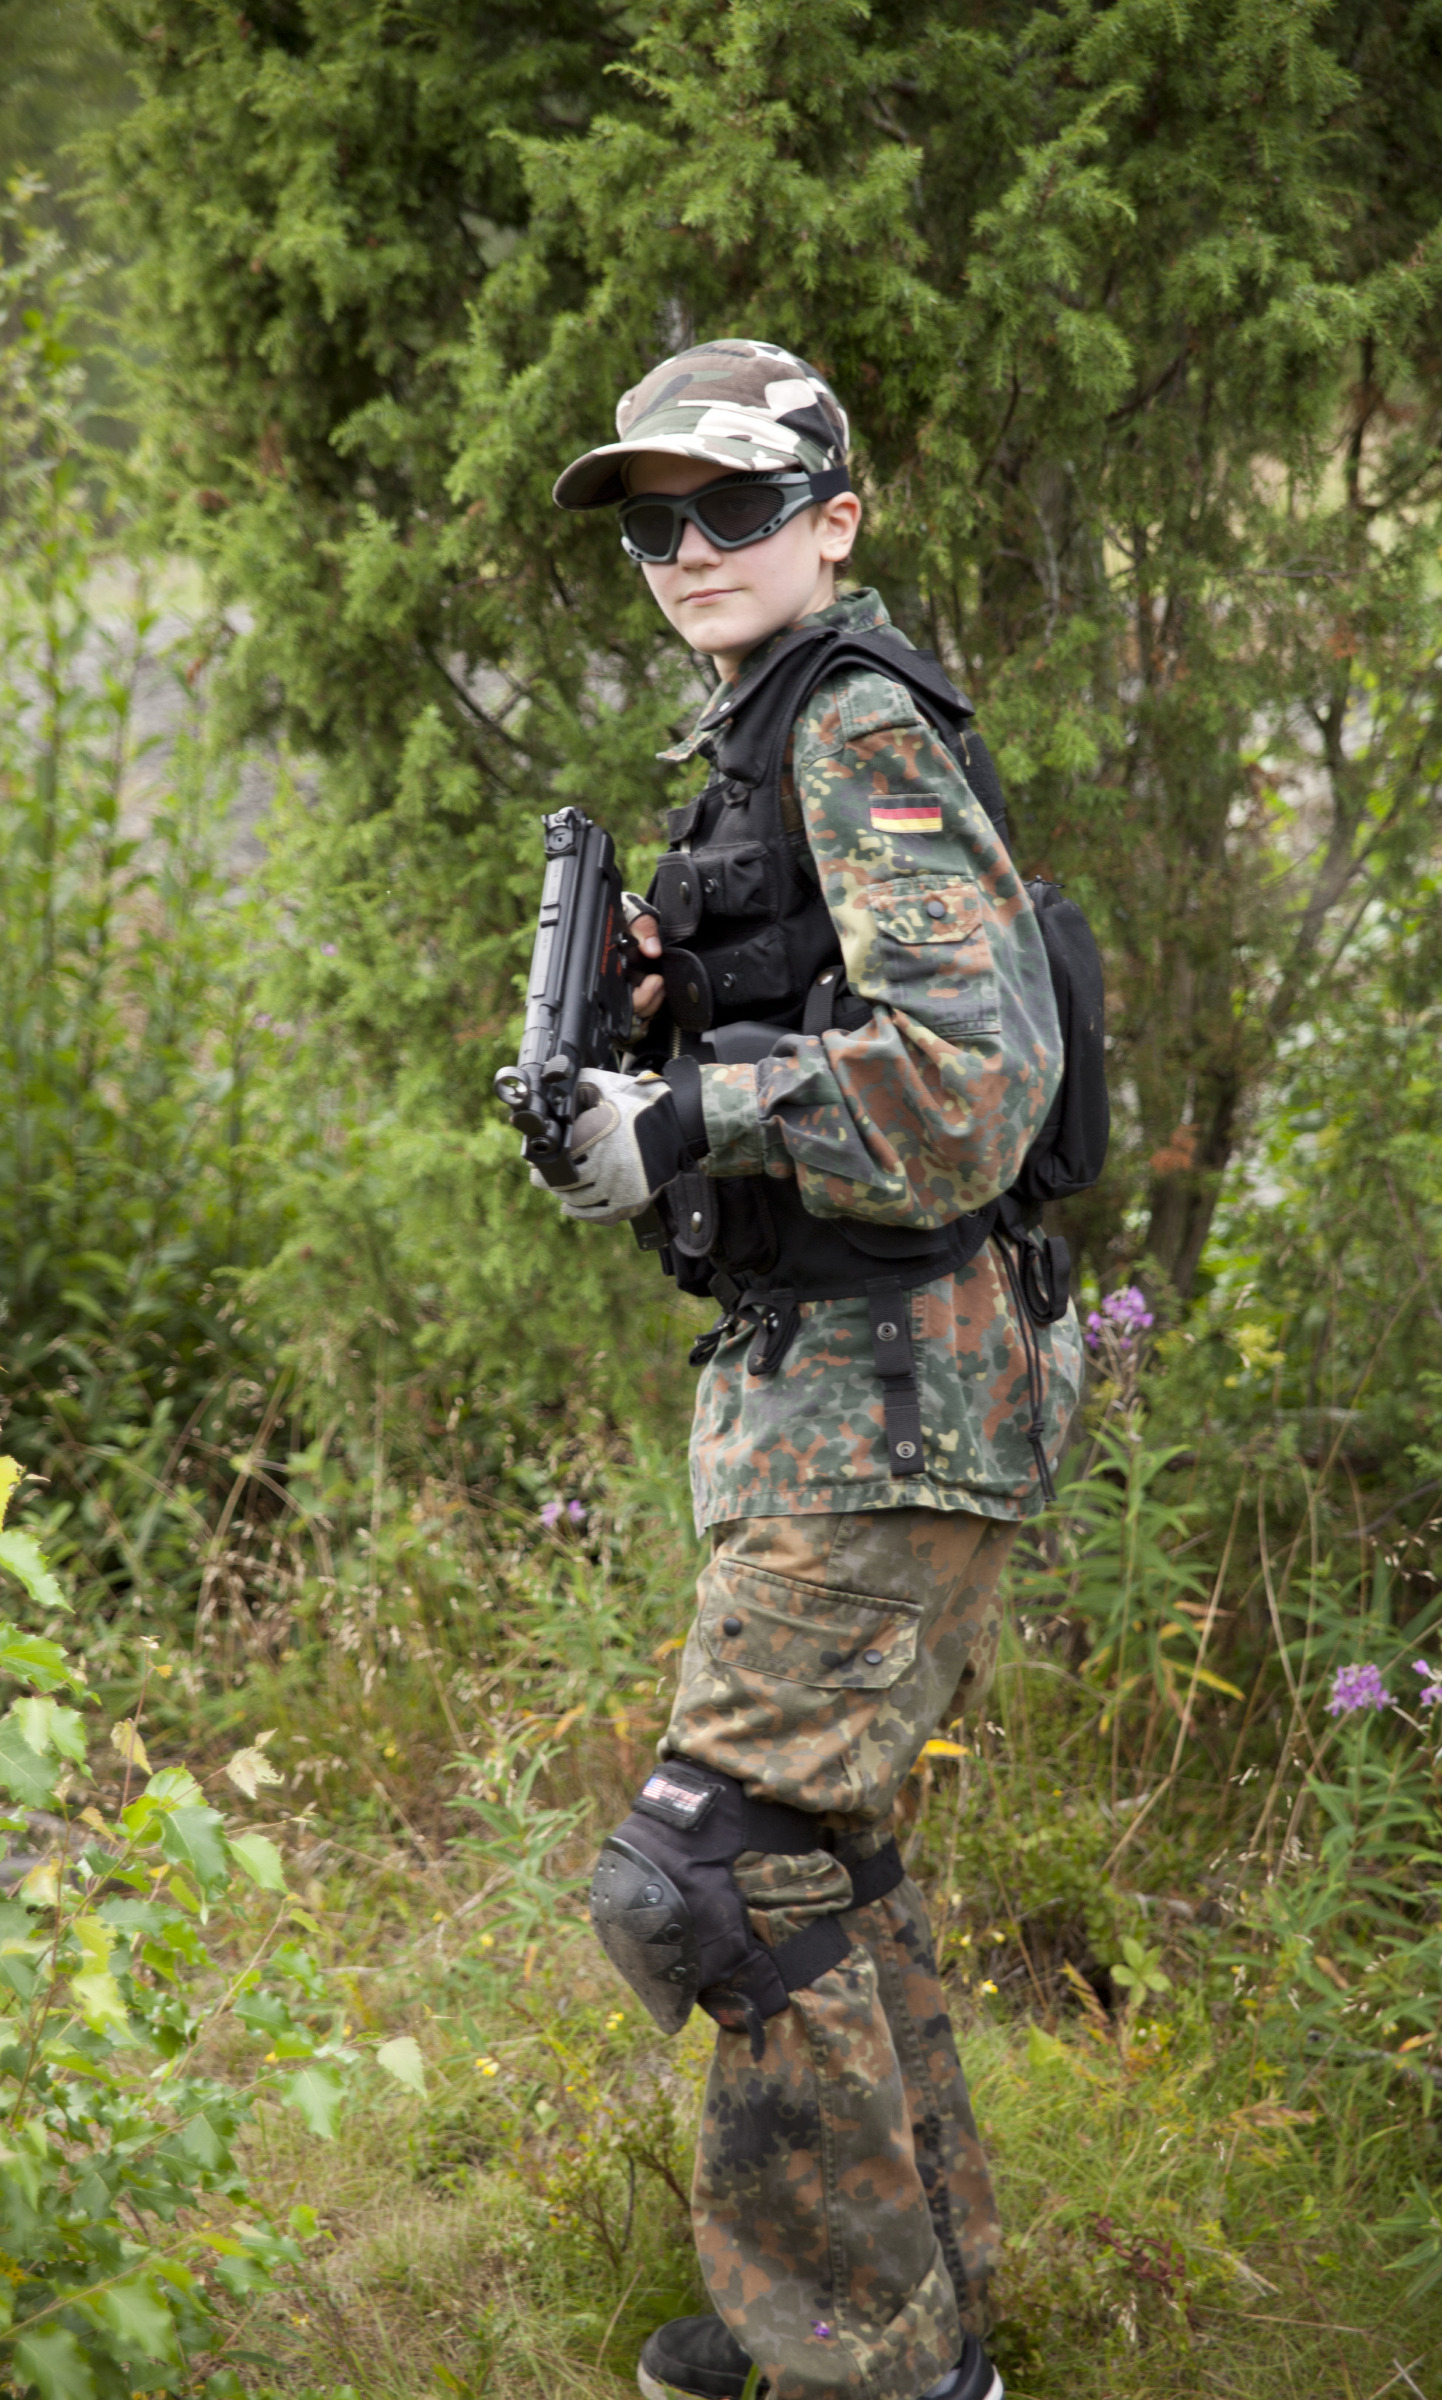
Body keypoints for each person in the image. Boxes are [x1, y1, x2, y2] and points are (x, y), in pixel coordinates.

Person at [538, 340, 1083, 2400]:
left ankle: (867, 2363)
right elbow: (845, 1005)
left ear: (834, 521)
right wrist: (666, 1018)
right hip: (831, 1385)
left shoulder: (852, 720)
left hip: (897, 1386)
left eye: (735, 507)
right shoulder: (764, 729)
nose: (688, 551)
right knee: (814, 1864)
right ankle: (896, 2328)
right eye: (653, 526)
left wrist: (691, 1114)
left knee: (707, 1870)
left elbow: (976, 1077)